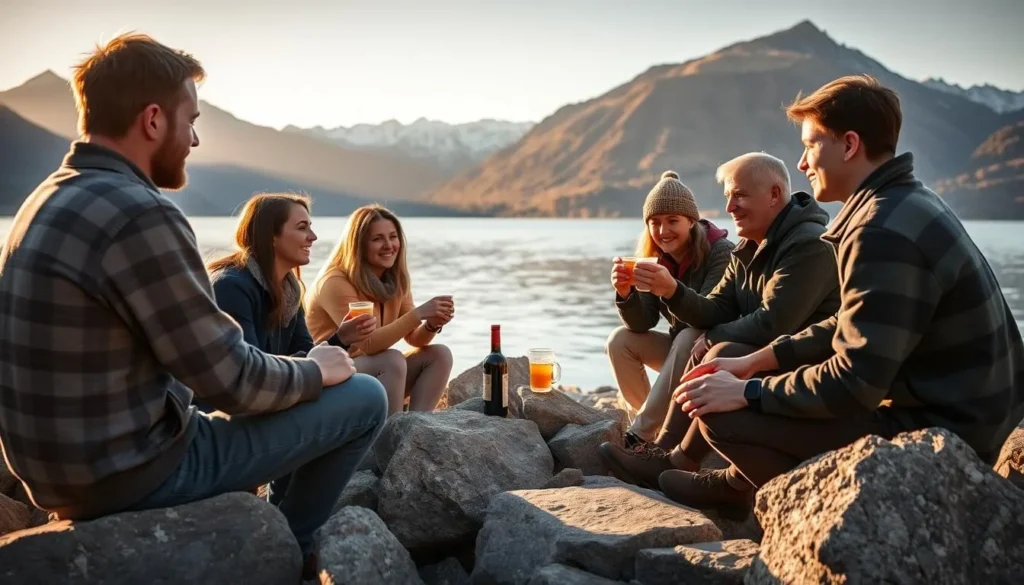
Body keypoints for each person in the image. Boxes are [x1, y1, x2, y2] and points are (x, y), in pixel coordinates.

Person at [0, 34, 387, 579]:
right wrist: (315, 370)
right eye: (191, 120)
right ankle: (287, 548)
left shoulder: (42, 201)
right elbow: (228, 380)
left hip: (52, 474)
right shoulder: (139, 212)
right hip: (131, 471)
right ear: (153, 120)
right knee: (365, 395)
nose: (195, 139)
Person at [660, 74, 1024, 520]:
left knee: (720, 413)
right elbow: (850, 323)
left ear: (849, 145)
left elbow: (854, 384)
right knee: (733, 356)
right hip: (961, 410)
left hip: (947, 437)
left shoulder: (880, 230)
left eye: (812, 144)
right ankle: (745, 481)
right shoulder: (903, 200)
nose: (802, 162)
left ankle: (809, 515)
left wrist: (748, 391)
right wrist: (756, 362)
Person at [599, 153, 841, 490]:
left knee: (715, 349)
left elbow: (774, 324)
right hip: (766, 354)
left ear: (774, 195)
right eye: (728, 196)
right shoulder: (750, 247)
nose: (729, 207)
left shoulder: (807, 245)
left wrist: (708, 333)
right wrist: (658, 292)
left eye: (739, 195)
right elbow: (715, 309)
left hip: (805, 364)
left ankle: (668, 453)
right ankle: (675, 457)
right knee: (710, 345)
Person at [203, 192, 380, 502]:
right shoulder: (231, 287)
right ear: (271, 235)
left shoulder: (288, 289)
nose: (312, 236)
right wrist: (321, 363)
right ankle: (296, 528)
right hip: (224, 424)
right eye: (302, 227)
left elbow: (307, 355)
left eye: (310, 226)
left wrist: (341, 339)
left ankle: (284, 507)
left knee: (343, 388)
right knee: (353, 393)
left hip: (267, 402)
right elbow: (251, 376)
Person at [605, 170, 733, 447]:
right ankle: (650, 425)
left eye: (673, 221)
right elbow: (642, 324)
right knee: (620, 340)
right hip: (680, 355)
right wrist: (626, 294)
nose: (663, 231)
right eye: (654, 222)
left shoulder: (720, 252)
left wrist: (671, 289)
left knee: (688, 334)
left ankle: (638, 435)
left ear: (691, 221)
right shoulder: (654, 259)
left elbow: (711, 314)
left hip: (718, 355)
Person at [305, 204, 454, 416]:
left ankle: (416, 428)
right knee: (392, 359)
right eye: (377, 239)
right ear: (358, 245)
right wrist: (418, 313)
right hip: (331, 376)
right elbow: (367, 344)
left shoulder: (396, 279)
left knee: (440, 354)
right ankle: (387, 435)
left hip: (372, 371)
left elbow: (414, 338)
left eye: (393, 237)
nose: (389, 245)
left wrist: (431, 323)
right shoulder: (335, 282)